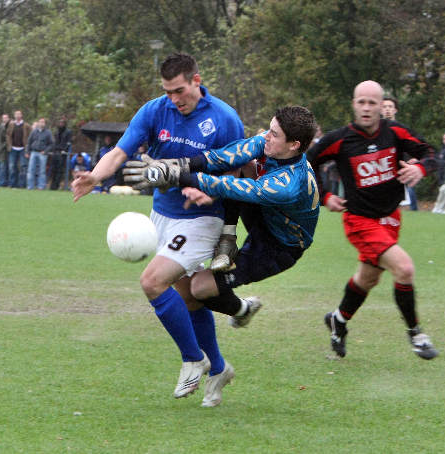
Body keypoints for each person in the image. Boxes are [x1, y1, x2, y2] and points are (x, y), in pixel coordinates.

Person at [71, 53, 244, 407]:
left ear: (197, 80)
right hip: (162, 216)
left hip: (202, 219)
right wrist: (96, 177)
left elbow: (237, 172)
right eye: (167, 92)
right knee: (189, 298)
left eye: (179, 90)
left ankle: (192, 358)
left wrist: (208, 188)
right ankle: (220, 368)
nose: (174, 99)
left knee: (152, 282)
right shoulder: (154, 110)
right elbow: (121, 151)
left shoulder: (224, 119)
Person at [123, 106, 319, 334]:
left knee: (200, 288)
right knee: (241, 162)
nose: (267, 135)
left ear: (294, 145)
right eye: (270, 128)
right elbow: (223, 157)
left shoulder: (289, 184)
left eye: (275, 134)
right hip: (267, 213)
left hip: (278, 246)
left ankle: (243, 310)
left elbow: (234, 188)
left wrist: (178, 177)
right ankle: (227, 239)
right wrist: (174, 165)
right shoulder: (267, 144)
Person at [307, 80, 438, 360]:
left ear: (382, 107)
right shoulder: (340, 140)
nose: (366, 108)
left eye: (372, 103)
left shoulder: (396, 133)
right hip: (360, 221)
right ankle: (417, 334)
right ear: (353, 104)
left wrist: (420, 168)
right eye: (361, 102)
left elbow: (430, 153)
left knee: (367, 279)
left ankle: (338, 320)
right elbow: (306, 163)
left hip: (391, 218)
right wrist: (324, 194)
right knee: (404, 269)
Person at [382, 96, 418, 211]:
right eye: (384, 107)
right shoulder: (374, 131)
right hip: (381, 173)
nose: (387, 109)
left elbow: (414, 146)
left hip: (400, 171)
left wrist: (414, 158)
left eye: (390, 107)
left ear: (395, 110)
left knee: (402, 206)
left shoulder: (402, 130)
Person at [6, 110, 32, 188]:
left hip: (23, 149)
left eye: (19, 114)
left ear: (21, 115)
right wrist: (9, 146)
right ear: (14, 116)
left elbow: (31, 136)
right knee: (12, 167)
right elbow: (7, 135)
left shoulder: (26, 125)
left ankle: (22, 185)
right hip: (13, 149)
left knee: (23, 167)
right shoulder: (11, 125)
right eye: (16, 114)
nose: (17, 116)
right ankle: (12, 184)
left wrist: (27, 147)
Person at [26, 118, 54, 190]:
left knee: (42, 171)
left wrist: (45, 151)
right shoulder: (34, 132)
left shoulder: (48, 133)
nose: (41, 123)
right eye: (40, 122)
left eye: (43, 122)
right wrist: (27, 152)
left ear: (45, 124)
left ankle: (41, 186)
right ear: (38, 123)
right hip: (33, 152)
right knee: (31, 170)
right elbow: (29, 142)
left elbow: (51, 144)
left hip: (42, 153)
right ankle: (30, 186)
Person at [50, 116, 72, 190]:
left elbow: (68, 142)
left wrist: (64, 150)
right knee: (53, 169)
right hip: (55, 152)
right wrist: (54, 149)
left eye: (62, 123)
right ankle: (52, 185)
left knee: (59, 170)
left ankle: (56, 185)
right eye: (60, 122)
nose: (61, 124)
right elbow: (54, 142)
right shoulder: (57, 132)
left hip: (62, 153)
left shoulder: (68, 132)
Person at [432, 132, 445, 214]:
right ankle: (440, 207)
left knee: (444, 191)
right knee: (443, 191)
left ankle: (439, 207)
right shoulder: (441, 151)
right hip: (442, 175)